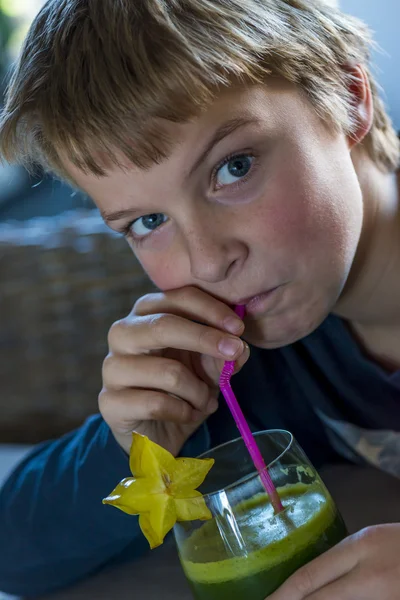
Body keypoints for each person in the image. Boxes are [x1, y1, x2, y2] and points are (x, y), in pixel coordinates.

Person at [1, 0, 400, 597]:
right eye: (147, 220)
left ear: (348, 97)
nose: (208, 262)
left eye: (233, 167)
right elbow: (14, 551)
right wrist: (134, 446)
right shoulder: (252, 362)